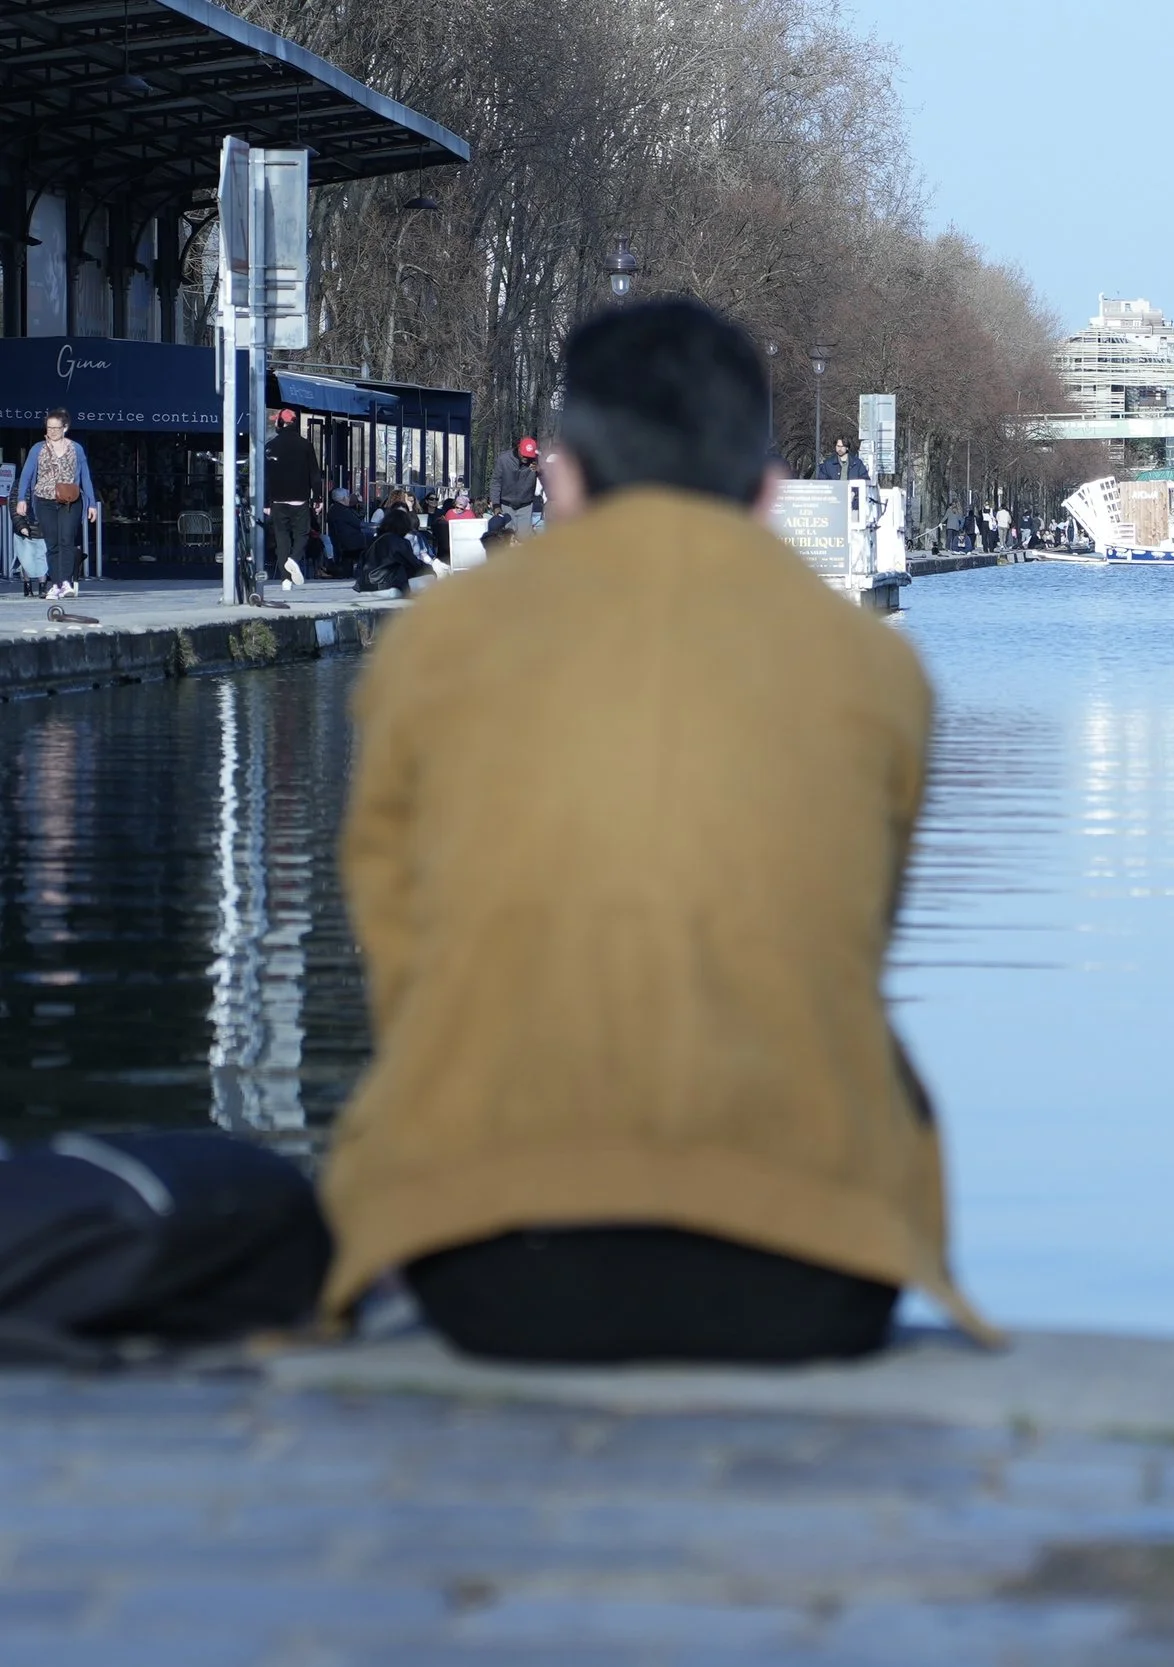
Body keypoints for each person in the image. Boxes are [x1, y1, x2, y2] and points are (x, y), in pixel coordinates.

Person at [320, 295, 995, 1365]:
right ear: (769, 491)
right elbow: (852, 937)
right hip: (814, 1269)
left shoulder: (436, 641)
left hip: (497, 1264)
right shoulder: (871, 664)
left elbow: (399, 952)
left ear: (567, 472)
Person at [13, 409, 97, 601]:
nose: (52, 431)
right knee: (52, 543)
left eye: (56, 428)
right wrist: (21, 500)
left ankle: (65, 583)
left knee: (66, 539)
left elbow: (85, 476)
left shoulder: (76, 449)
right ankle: (56, 584)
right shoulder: (38, 449)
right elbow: (26, 475)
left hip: (70, 500)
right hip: (44, 500)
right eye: (49, 427)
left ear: (65, 428)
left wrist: (92, 503)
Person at [263, 408, 321, 591]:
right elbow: (315, 474)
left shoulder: (270, 446)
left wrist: (266, 502)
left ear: (280, 422)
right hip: (300, 499)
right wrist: (318, 498)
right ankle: (293, 559)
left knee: (282, 540)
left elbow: (266, 477)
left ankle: (285, 580)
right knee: (302, 534)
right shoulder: (305, 445)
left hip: (278, 500)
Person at [491, 437, 544, 534]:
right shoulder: (504, 459)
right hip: (506, 504)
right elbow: (496, 482)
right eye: (524, 455)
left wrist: (540, 471)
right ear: (518, 448)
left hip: (526, 505)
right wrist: (496, 505)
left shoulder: (537, 460)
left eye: (529, 456)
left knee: (524, 539)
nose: (526, 458)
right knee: (507, 536)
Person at [326, 488, 372, 579]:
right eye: (348, 497)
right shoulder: (343, 511)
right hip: (351, 542)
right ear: (343, 499)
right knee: (374, 540)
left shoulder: (335, 509)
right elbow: (359, 523)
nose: (349, 499)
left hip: (342, 541)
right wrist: (376, 526)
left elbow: (358, 517)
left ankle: (349, 572)